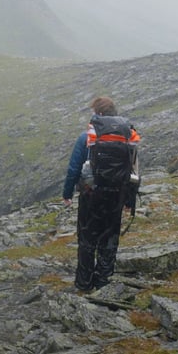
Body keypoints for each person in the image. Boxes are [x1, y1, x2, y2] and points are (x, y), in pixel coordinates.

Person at [62, 96, 139, 292]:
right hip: (117, 195)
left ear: (99, 114)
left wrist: (67, 193)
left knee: (87, 240)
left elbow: (73, 169)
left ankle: (84, 285)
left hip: (91, 195)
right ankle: (103, 284)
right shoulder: (128, 136)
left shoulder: (87, 137)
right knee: (109, 239)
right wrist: (129, 200)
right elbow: (134, 171)